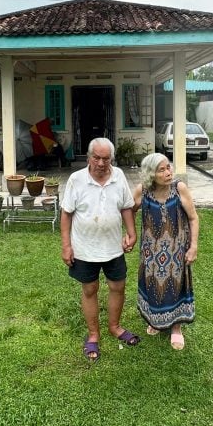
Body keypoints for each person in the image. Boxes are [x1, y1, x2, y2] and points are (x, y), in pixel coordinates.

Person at [60, 137, 140, 361]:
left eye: (106, 159)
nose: (101, 163)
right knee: (90, 289)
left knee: (118, 286)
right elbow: (66, 214)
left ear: (111, 159)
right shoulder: (76, 180)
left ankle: (115, 327)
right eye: (96, 158)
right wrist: (66, 245)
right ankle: (94, 334)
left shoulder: (119, 176)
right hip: (85, 248)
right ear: (89, 157)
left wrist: (132, 233)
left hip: (113, 247)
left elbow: (126, 207)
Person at [132, 152, 199, 350]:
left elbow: (193, 218)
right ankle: (155, 320)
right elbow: (128, 210)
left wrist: (193, 246)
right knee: (152, 284)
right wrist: (130, 234)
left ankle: (176, 328)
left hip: (176, 251)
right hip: (150, 253)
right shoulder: (143, 190)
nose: (168, 172)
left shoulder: (179, 189)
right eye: (161, 170)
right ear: (151, 174)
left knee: (175, 286)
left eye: (168, 167)